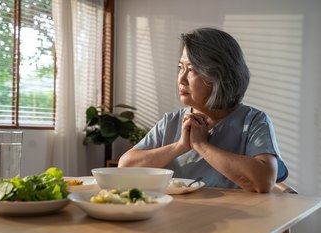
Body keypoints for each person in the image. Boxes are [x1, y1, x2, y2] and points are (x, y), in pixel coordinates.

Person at [118, 27, 288, 193]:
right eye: (180, 68)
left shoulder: (254, 121)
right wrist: (180, 146)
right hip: (175, 216)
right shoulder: (170, 121)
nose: (181, 79)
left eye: (191, 69)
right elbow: (125, 167)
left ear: (220, 75)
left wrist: (201, 145)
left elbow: (264, 182)